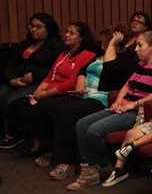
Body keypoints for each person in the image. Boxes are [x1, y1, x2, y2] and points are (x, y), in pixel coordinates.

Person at [67, 30, 152, 190]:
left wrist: (133, 104)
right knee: (80, 124)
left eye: (140, 45)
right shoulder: (141, 65)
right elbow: (126, 85)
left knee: (93, 131)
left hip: (136, 112)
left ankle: (103, 166)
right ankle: (90, 168)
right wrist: (118, 101)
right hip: (122, 107)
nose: (136, 49)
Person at [33, 25, 137, 179]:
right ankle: (48, 151)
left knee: (66, 112)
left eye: (104, 42)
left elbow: (109, 68)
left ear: (112, 43)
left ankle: (67, 163)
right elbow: (83, 70)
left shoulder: (126, 59)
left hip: (103, 98)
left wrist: (112, 46)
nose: (100, 45)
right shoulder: (100, 55)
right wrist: (80, 82)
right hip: (84, 93)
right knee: (45, 107)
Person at [4, 22, 97, 163]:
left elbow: (72, 82)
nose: (66, 35)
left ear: (82, 38)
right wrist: (40, 89)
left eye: (71, 33)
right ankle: (38, 143)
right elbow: (50, 75)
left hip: (67, 93)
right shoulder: (64, 53)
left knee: (43, 108)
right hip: (50, 90)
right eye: (66, 32)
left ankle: (46, 149)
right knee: (19, 105)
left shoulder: (86, 54)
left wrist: (45, 94)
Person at [0, 13, 65, 149]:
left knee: (10, 101)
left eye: (38, 27)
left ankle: (16, 133)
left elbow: (58, 68)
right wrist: (12, 80)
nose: (33, 29)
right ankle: (4, 133)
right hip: (17, 80)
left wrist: (34, 75)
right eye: (32, 26)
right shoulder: (26, 43)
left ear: (48, 28)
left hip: (40, 82)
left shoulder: (57, 45)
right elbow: (11, 64)